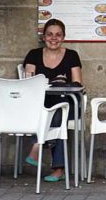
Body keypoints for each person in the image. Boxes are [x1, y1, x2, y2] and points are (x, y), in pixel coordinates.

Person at [23, 19, 82, 183]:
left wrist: (64, 83)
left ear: (63, 37)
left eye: (58, 35)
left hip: (68, 103)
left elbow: (78, 83)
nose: (53, 38)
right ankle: (59, 169)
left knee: (58, 111)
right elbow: (29, 81)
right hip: (41, 103)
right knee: (54, 113)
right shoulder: (33, 54)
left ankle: (37, 146)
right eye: (49, 34)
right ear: (44, 37)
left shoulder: (71, 55)